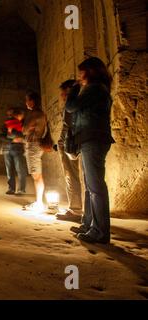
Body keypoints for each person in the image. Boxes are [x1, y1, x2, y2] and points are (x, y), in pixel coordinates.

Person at [66, 57, 115, 244]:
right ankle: (88, 224)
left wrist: (74, 90)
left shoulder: (95, 89)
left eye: (81, 72)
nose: (79, 77)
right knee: (90, 186)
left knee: (95, 188)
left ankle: (100, 232)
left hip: (93, 140)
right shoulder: (97, 89)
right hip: (91, 139)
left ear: (90, 71)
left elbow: (72, 107)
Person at [55, 80, 83, 222]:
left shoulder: (72, 105)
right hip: (68, 143)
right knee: (71, 175)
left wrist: (63, 143)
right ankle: (76, 208)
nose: (61, 95)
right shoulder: (74, 104)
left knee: (70, 175)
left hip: (69, 144)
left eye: (62, 92)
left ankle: (75, 210)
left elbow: (69, 126)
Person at [22, 91, 48, 212]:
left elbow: (25, 129)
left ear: (32, 101)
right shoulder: (40, 113)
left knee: (36, 175)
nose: (26, 102)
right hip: (35, 144)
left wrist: (27, 127)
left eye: (27, 100)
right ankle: (38, 201)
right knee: (36, 174)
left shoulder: (35, 113)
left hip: (33, 145)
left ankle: (39, 203)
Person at [3, 108, 27, 196]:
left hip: (18, 148)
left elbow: (23, 135)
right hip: (7, 148)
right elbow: (4, 135)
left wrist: (11, 134)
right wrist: (14, 137)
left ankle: (21, 189)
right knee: (9, 170)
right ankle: (11, 189)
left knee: (20, 169)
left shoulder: (22, 124)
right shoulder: (7, 123)